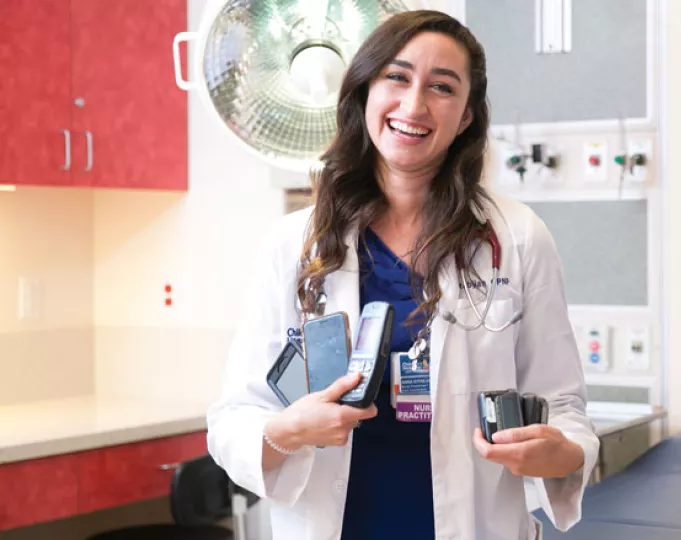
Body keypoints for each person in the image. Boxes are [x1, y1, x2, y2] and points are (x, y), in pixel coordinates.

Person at [206, 9, 599, 540]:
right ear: (365, 91)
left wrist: (560, 452)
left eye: (442, 87)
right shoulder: (293, 246)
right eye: (396, 77)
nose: (414, 105)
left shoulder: (518, 238)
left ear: (465, 117)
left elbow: (565, 404)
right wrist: (284, 432)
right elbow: (233, 418)